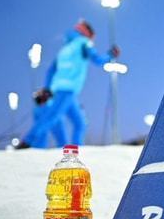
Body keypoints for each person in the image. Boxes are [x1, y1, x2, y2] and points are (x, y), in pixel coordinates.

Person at [17, 20, 120, 149]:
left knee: (80, 123)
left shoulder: (64, 50)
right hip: (67, 89)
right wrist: (110, 54)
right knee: (52, 117)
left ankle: (76, 150)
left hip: (60, 90)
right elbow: (97, 60)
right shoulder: (84, 43)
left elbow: (50, 71)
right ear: (87, 33)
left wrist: (48, 89)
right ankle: (27, 142)